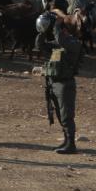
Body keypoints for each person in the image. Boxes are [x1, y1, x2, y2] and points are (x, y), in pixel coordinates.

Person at [36, 11, 82, 154]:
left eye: (61, 29)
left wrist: (56, 25)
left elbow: (62, 41)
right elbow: (40, 45)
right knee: (60, 114)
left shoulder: (73, 43)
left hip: (65, 84)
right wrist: (43, 30)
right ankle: (66, 141)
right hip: (54, 83)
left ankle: (71, 145)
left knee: (66, 115)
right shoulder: (58, 43)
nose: (58, 32)